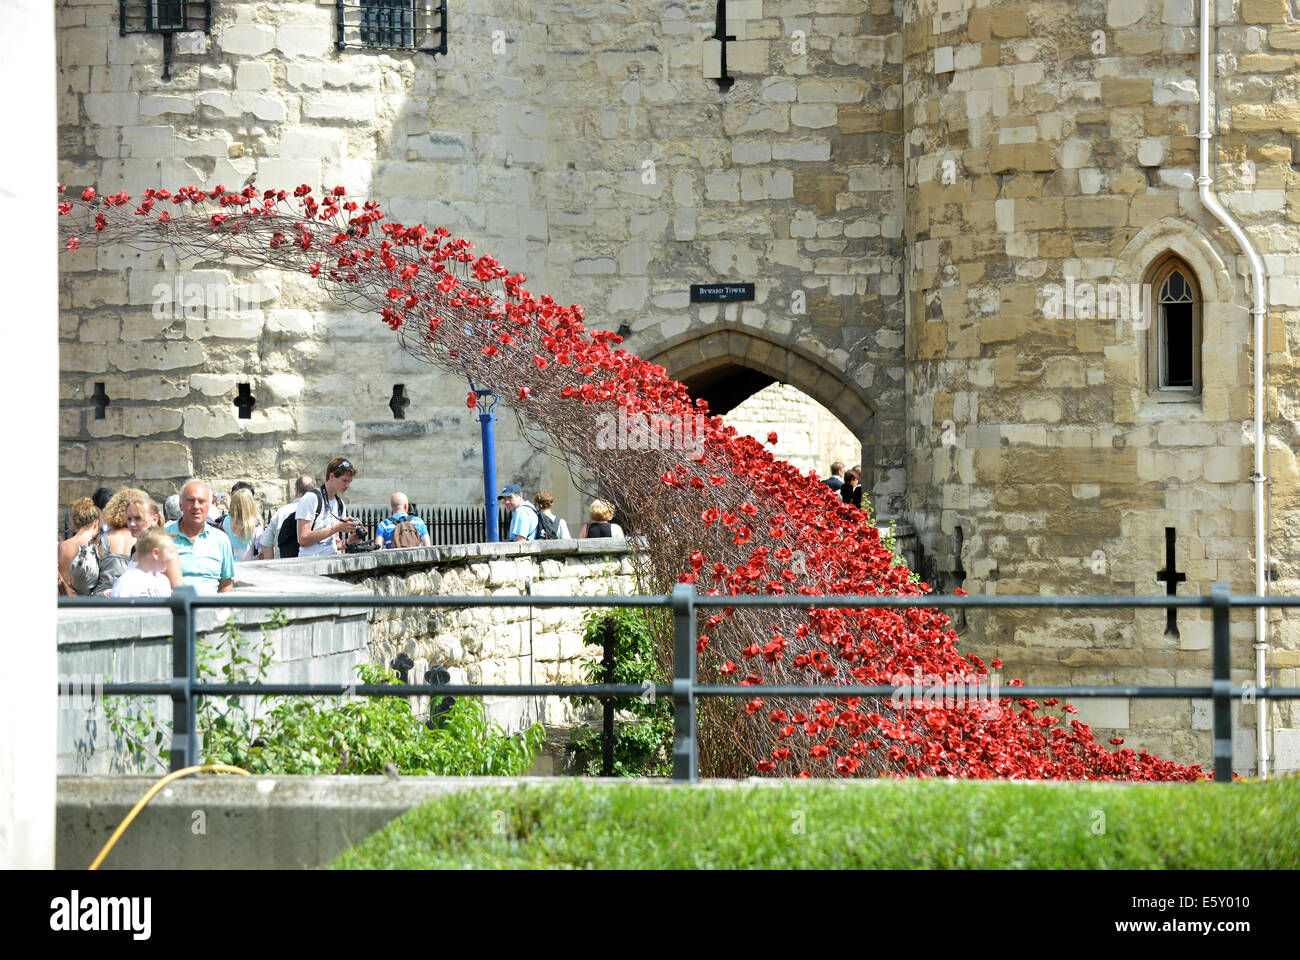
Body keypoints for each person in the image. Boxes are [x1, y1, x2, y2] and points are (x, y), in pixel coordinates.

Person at [165, 480, 235, 594]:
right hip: (173, 609)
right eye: (190, 500)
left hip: (210, 609)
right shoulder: (162, 537)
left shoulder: (221, 540)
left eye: (201, 501)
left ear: (209, 506)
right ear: (181, 505)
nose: (196, 506)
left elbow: (226, 583)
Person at [81, 488, 154, 596]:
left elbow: (88, 578)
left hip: (103, 600)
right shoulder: (146, 540)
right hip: (135, 598)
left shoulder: (102, 538)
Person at [296, 457, 362, 557]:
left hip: (331, 563)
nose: (347, 485)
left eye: (349, 482)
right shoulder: (311, 498)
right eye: (344, 481)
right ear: (331, 476)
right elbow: (303, 539)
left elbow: (334, 544)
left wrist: (347, 542)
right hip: (310, 565)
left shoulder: (340, 504)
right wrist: (336, 528)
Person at [110, 527, 177, 599]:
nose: (172, 557)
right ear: (156, 553)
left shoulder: (164, 582)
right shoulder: (126, 583)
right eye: (170, 552)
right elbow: (117, 609)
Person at [260, 474, 315, 559]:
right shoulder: (315, 512)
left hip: (283, 565)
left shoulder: (281, 512)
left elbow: (266, 543)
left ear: (296, 491)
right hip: (311, 564)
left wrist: (271, 567)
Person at [58, 497, 100, 595]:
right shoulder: (97, 546)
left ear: (73, 524)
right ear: (95, 524)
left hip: (66, 602)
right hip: (88, 604)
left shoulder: (61, 547)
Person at [221, 487, 264, 562]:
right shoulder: (256, 524)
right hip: (251, 567)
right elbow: (261, 551)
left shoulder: (226, 520)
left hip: (231, 565)